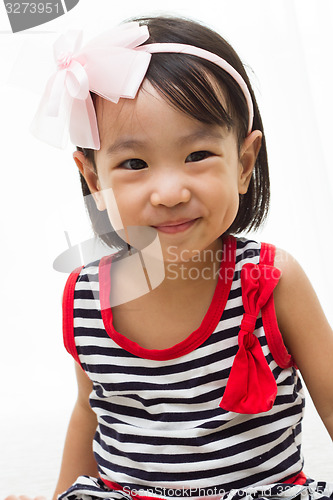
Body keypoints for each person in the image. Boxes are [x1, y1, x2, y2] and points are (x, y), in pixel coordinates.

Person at [6, 14, 333, 500]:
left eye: (198, 155)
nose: (169, 192)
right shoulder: (87, 296)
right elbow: (90, 410)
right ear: (95, 180)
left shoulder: (271, 278)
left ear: (244, 164)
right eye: (134, 164)